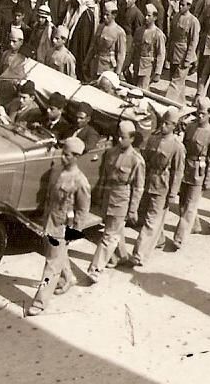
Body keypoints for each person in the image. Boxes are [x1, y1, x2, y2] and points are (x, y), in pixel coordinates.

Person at [27, 138, 91, 315]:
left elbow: (82, 210)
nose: (63, 157)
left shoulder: (80, 181)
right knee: (57, 257)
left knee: (51, 266)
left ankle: (40, 302)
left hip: (63, 228)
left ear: (76, 157)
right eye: (63, 153)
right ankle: (68, 278)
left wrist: (74, 233)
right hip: (50, 223)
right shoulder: (57, 172)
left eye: (67, 155)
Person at [88, 122, 145, 281]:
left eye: (124, 137)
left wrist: (133, 209)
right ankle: (121, 256)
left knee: (109, 235)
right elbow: (104, 176)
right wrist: (99, 195)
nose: (119, 140)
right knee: (114, 229)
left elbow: (138, 187)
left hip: (122, 198)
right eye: (118, 136)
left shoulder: (136, 160)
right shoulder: (110, 153)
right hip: (108, 196)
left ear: (132, 138)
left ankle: (95, 269)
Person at [127, 108, 184, 265]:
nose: (163, 126)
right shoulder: (153, 138)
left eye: (168, 124)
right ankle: (159, 240)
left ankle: (139, 255)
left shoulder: (177, 147)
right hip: (147, 181)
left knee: (151, 220)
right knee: (151, 217)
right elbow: (144, 159)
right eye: (163, 122)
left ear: (174, 126)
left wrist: (172, 194)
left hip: (162, 186)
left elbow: (177, 172)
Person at [167, 97, 210, 250]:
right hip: (185, 169)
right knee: (183, 203)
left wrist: (208, 180)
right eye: (198, 113)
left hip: (199, 172)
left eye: (203, 114)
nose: (200, 116)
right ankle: (195, 225)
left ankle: (179, 238)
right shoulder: (190, 127)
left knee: (190, 206)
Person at [165, 0, 200, 102]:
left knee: (175, 83)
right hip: (174, 54)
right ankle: (180, 105)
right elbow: (171, 37)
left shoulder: (193, 21)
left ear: (189, 6)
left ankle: (168, 103)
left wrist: (188, 59)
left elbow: (193, 42)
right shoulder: (176, 17)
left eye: (183, 5)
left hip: (183, 56)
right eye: (180, 5)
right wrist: (168, 53)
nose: (180, 7)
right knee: (178, 82)